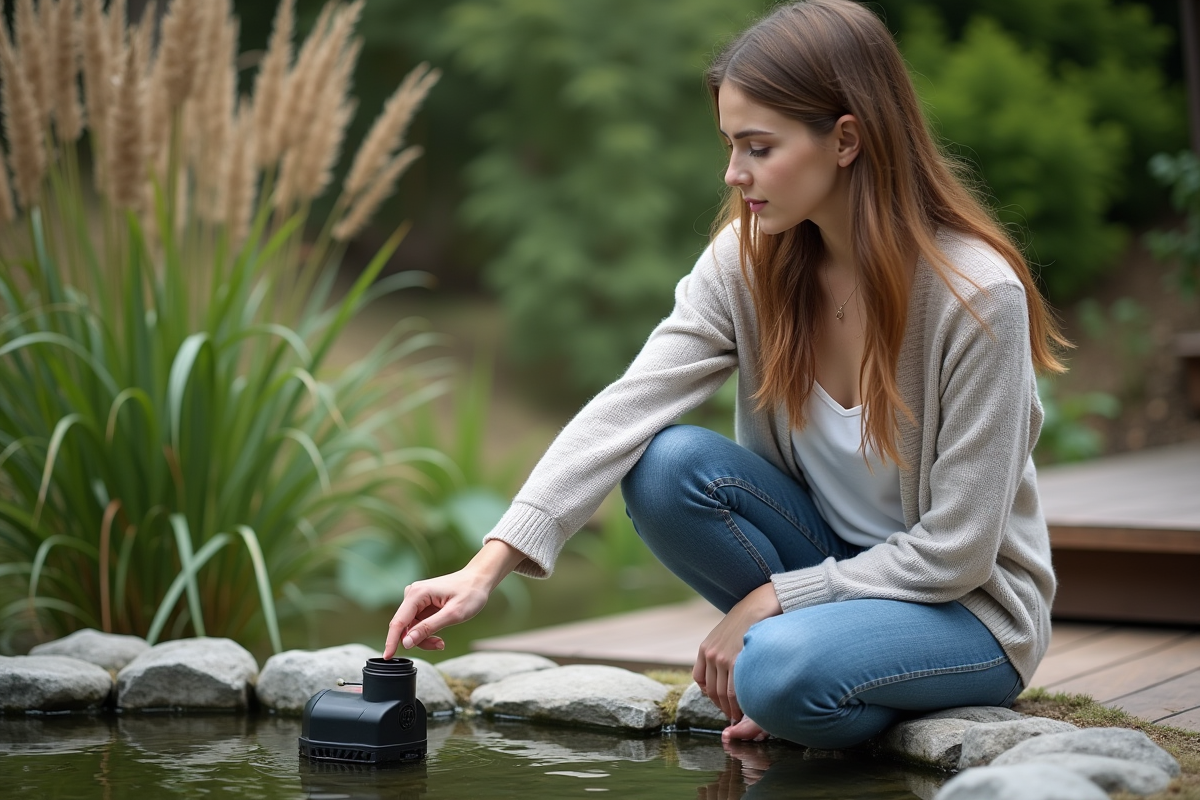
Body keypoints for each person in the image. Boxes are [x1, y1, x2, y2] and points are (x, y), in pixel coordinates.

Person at [384, 0, 1064, 749]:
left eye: (757, 147)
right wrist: (487, 567)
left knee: (771, 666)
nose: (734, 174)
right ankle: (822, 681)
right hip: (830, 577)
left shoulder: (977, 298)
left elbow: (959, 550)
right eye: (730, 145)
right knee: (667, 465)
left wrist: (772, 601)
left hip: (963, 611)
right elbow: (627, 408)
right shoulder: (749, 263)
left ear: (845, 140)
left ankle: (807, 678)